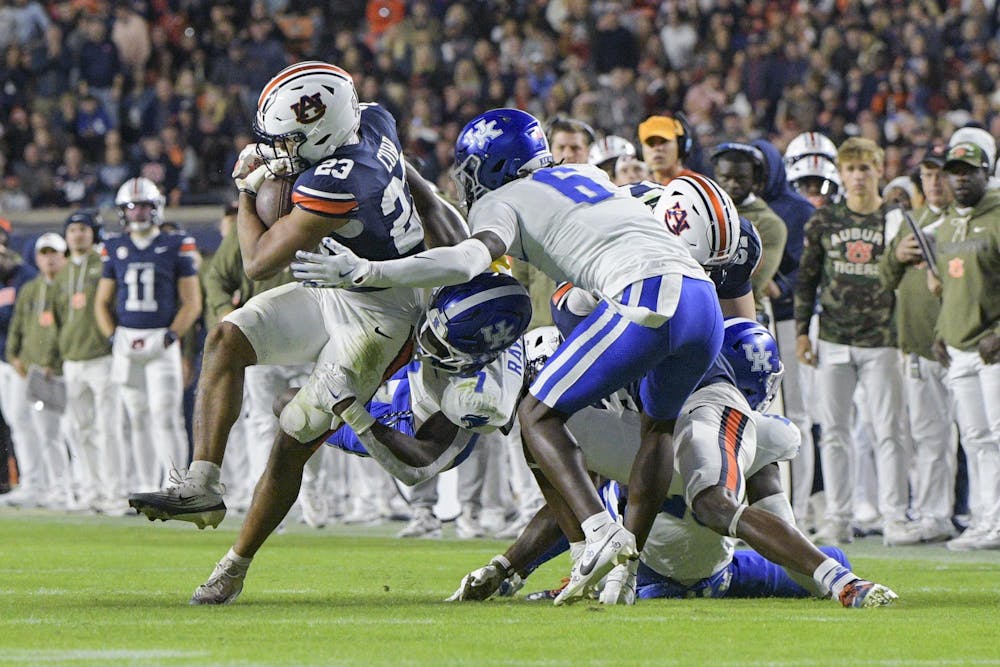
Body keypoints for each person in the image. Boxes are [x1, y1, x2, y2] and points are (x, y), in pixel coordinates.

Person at [290, 107, 726, 603]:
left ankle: (599, 533)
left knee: (536, 413)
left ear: (491, 167)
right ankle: (623, 573)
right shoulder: (585, 173)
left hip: (648, 292)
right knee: (657, 428)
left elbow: (466, 260)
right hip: (701, 301)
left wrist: (368, 272)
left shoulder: (503, 199)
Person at [128, 61, 463, 528]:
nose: (277, 152)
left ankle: (263, 540)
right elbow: (420, 190)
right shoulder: (372, 120)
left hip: (380, 312)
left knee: (299, 430)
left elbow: (257, 261)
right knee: (226, 339)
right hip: (335, 286)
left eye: (286, 141)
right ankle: (201, 486)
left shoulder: (340, 180)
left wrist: (245, 192)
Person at [448, 320, 897, 609]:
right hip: (702, 575)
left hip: (652, 574)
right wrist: (824, 571)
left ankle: (577, 567)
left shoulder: (723, 425)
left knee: (576, 461)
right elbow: (783, 534)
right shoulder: (760, 430)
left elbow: (570, 497)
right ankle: (838, 572)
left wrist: (510, 566)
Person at [189, 273, 532, 604]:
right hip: (408, 376)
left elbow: (418, 466)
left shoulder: (479, 397)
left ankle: (234, 566)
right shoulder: (459, 293)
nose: (427, 342)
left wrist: (352, 411)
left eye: (437, 343)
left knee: (295, 421)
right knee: (287, 405)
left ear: (475, 355)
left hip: (409, 427)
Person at [793, 137, 921, 546]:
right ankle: (838, 515)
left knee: (889, 429)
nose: (858, 177)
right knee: (834, 430)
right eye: (851, 169)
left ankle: (895, 516)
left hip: (883, 336)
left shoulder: (897, 219)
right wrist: (800, 333)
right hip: (832, 335)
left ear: (879, 170)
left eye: (865, 168)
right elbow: (807, 279)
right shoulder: (823, 221)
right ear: (841, 174)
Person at [95, 177, 202, 494]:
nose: (137, 213)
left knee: (165, 415)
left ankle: (174, 485)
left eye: (143, 206)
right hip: (127, 340)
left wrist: (172, 335)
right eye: (131, 207)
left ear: (156, 209)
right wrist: (113, 336)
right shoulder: (113, 247)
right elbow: (101, 302)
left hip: (160, 339)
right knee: (137, 416)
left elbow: (192, 302)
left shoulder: (175, 244)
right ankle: (143, 485)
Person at [878, 145, 957, 543]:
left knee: (983, 437)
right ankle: (934, 515)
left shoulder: (968, 220)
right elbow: (884, 279)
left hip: (966, 343)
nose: (935, 182)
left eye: (941, 174)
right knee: (930, 437)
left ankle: (985, 515)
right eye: (927, 175)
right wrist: (896, 254)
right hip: (917, 343)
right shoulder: (915, 221)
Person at [928, 141, 1000, 551]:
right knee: (973, 437)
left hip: (993, 347)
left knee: (997, 435)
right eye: (954, 170)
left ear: (986, 173)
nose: (959, 178)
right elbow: (951, 287)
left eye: (969, 170)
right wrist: (941, 330)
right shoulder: (950, 223)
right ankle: (984, 518)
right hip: (958, 348)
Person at [53, 210, 120, 513]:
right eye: (72, 230)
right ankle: (90, 491)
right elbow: (58, 318)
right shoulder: (63, 272)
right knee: (79, 430)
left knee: (108, 427)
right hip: (72, 360)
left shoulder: (104, 264)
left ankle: (114, 492)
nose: (77, 235)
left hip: (101, 357)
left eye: (83, 229)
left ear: (93, 233)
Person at [6, 233, 69, 507]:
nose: (49, 258)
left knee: (57, 431)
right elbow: (17, 325)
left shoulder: (67, 287)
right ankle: (34, 484)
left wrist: (53, 362)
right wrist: (13, 355)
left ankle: (64, 486)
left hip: (55, 371)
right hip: (26, 368)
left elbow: (67, 330)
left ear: (63, 255)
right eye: (44, 253)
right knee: (22, 424)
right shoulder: (31, 288)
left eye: (54, 252)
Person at [710, 142, 788, 318]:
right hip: (705, 315)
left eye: (741, 178)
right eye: (725, 177)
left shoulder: (770, 224)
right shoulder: (705, 211)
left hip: (746, 319)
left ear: (755, 180)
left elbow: (752, 280)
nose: (733, 184)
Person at [637, 114, 698, 184]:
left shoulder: (697, 185)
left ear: (680, 145)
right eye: (650, 143)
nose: (657, 148)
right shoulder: (638, 189)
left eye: (664, 141)